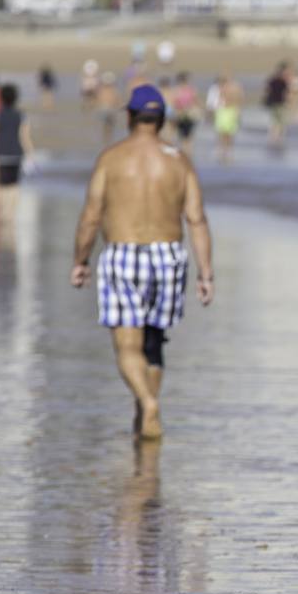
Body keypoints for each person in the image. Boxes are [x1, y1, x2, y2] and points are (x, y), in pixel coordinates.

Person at [70, 85, 215, 439]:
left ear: (130, 116)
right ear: (162, 119)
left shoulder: (111, 158)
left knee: (126, 344)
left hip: (124, 252)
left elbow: (91, 216)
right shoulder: (179, 161)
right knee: (153, 341)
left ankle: (148, 404)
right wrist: (206, 273)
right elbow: (196, 219)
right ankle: (144, 412)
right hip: (168, 254)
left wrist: (81, 259)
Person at [0, 83, 35, 225]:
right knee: (14, 185)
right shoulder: (22, 116)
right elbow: (24, 137)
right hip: (16, 154)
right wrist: (30, 154)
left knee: (0, 185)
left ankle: (1, 213)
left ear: (1, 98)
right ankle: (10, 215)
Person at [213, 75, 243, 164]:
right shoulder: (222, 89)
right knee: (223, 134)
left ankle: (227, 152)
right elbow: (218, 101)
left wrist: (238, 111)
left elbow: (238, 100)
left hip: (229, 112)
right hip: (224, 112)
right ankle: (223, 152)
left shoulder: (234, 89)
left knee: (228, 134)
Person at [170, 72, 200, 156]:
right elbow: (195, 102)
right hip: (185, 115)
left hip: (184, 115)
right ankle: (187, 153)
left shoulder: (177, 90)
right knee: (187, 136)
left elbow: (174, 103)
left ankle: (185, 153)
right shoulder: (190, 90)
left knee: (183, 136)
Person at [264, 63, 290, 149]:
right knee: (281, 121)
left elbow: (267, 90)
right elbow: (286, 93)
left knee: (274, 120)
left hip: (273, 103)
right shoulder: (283, 81)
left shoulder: (272, 81)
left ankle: (273, 136)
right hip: (281, 103)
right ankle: (279, 137)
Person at [97, 72, 120, 147]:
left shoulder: (101, 90)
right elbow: (116, 100)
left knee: (105, 126)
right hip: (109, 110)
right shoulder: (113, 90)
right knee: (109, 126)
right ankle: (108, 140)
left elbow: (98, 100)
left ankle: (106, 140)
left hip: (104, 109)